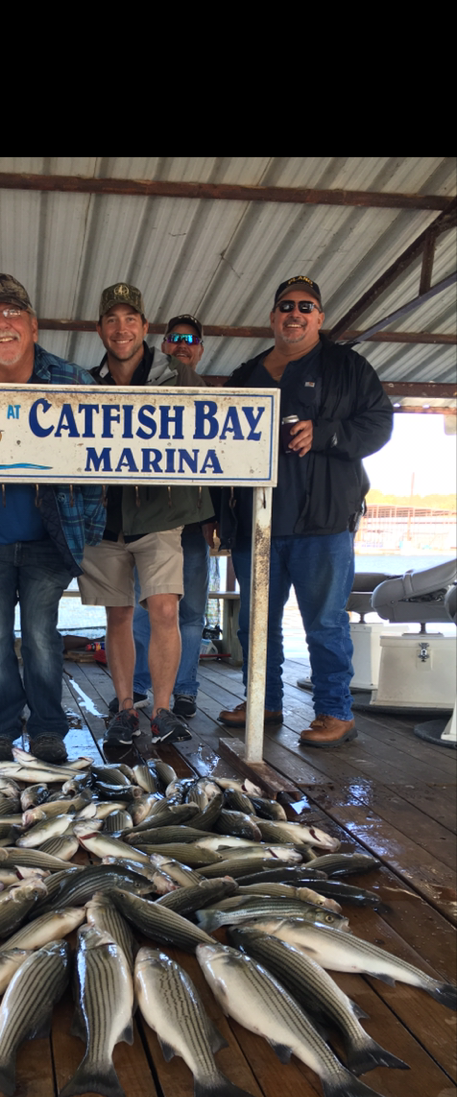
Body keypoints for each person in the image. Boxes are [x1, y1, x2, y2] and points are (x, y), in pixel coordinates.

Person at [0, 273, 106, 764]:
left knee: (41, 634)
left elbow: (99, 466)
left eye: (12, 314)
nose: (1, 324)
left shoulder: (74, 382)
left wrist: (89, 527)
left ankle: (49, 728)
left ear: (32, 326)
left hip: (49, 541)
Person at [217, 275, 393, 747]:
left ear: (319, 317)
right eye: (286, 306)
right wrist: (222, 516)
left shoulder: (349, 367)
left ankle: (335, 712)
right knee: (254, 624)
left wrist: (326, 433)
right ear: (273, 316)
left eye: (306, 306)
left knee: (325, 622)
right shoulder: (246, 374)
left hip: (324, 523)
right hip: (256, 527)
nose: (295, 313)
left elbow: (379, 424)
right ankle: (264, 701)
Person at [80, 283, 216, 747]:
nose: (122, 328)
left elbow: (211, 437)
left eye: (130, 319)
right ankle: (124, 708)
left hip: (161, 513)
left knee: (165, 607)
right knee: (117, 614)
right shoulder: (86, 382)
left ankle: (161, 708)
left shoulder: (181, 377)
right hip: (105, 517)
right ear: (101, 329)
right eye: (112, 320)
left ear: (145, 328)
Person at [131, 313, 216, 720]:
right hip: (153, 517)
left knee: (192, 611)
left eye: (192, 340)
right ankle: (137, 688)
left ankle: (185, 690)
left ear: (200, 350)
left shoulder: (211, 395)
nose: (183, 344)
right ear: (163, 345)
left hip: (195, 523)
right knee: (147, 607)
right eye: (175, 338)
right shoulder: (147, 385)